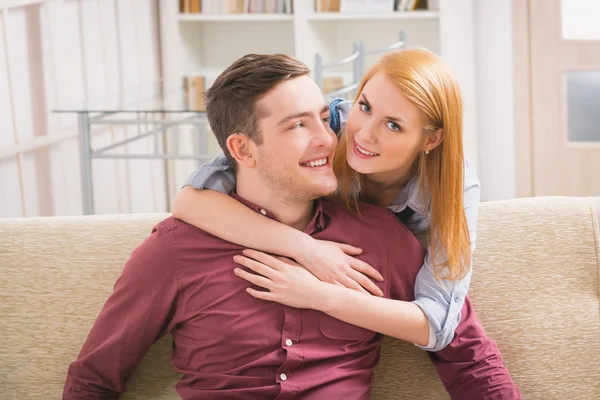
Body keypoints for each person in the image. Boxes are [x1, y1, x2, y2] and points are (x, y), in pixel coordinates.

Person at [63, 53, 519, 399]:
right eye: (299, 125)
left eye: (324, 118)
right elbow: (93, 379)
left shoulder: (383, 239)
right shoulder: (176, 251)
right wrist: (303, 248)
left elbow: (469, 358)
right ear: (242, 150)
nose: (334, 138)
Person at [173, 47, 479, 352]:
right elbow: (191, 200)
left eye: (393, 125)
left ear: (431, 140)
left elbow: (439, 324)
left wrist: (319, 295)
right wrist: (306, 249)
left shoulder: (451, 183)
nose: (363, 134)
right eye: (365, 106)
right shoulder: (329, 128)